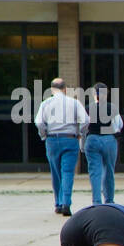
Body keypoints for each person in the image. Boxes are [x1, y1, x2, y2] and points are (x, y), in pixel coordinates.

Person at [34, 78, 88, 216]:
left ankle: (58, 203)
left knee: (56, 173)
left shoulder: (46, 103)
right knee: (68, 172)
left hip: (52, 140)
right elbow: (86, 120)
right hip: (70, 139)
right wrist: (80, 132)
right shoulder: (74, 103)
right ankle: (66, 203)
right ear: (65, 89)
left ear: (52, 89)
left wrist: (44, 135)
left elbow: (39, 122)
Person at [83, 82, 122, 205]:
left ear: (94, 94)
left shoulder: (88, 108)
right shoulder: (112, 107)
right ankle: (109, 200)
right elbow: (118, 125)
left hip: (93, 138)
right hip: (109, 140)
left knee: (95, 172)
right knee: (109, 170)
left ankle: (96, 201)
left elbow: (84, 126)